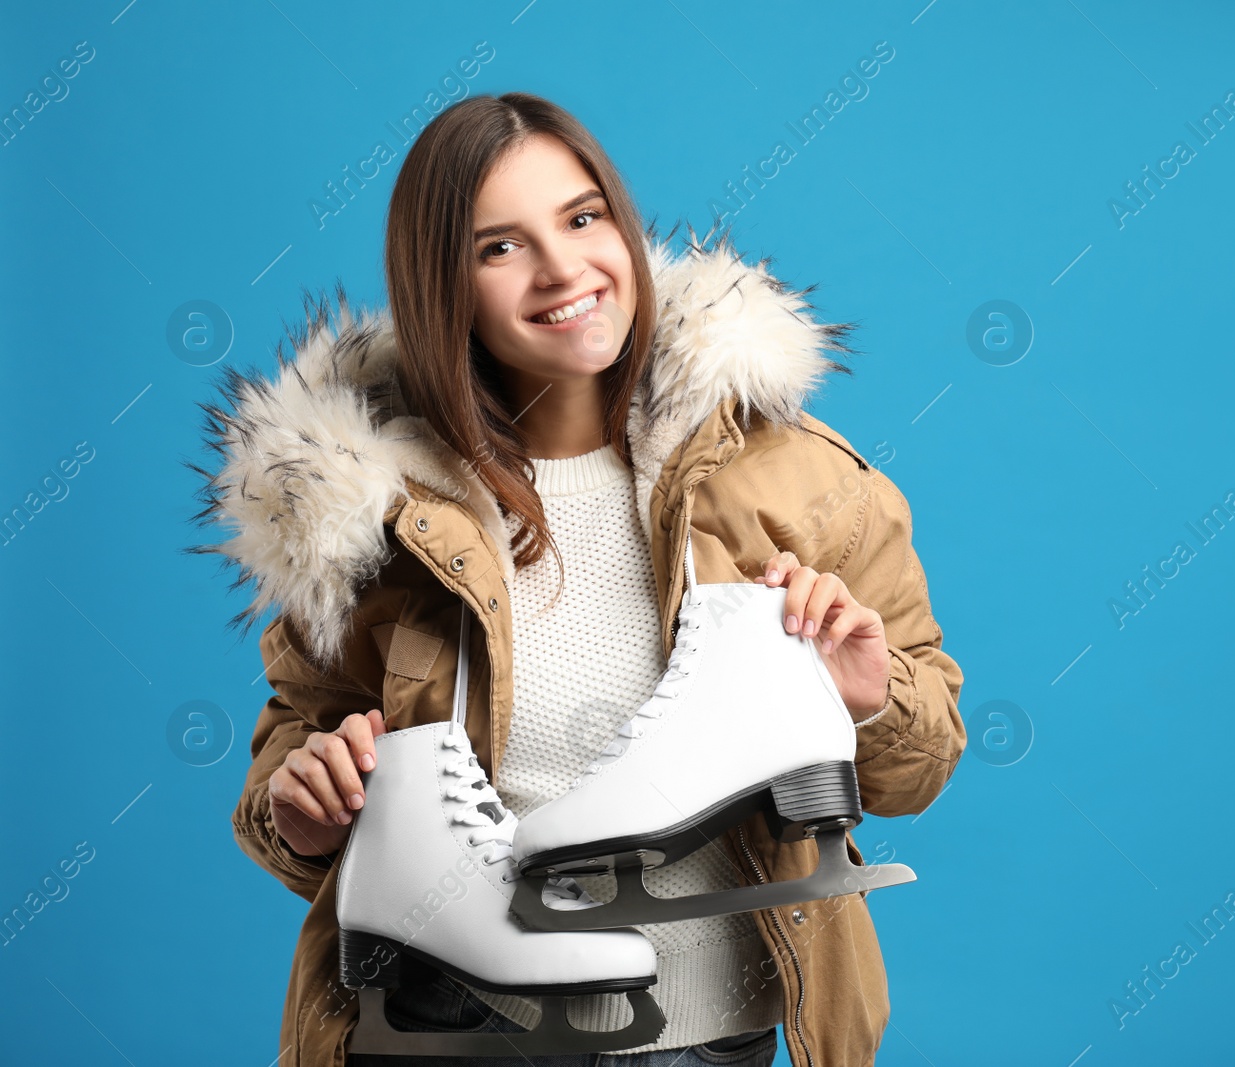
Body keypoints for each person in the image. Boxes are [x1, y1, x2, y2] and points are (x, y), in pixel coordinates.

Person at [192, 91, 965, 1067]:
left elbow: (919, 765)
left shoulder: (799, 478)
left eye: (582, 217)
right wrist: (303, 808)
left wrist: (860, 693)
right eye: (499, 246)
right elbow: (288, 765)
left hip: (705, 1036)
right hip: (444, 1039)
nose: (564, 268)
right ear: (445, 286)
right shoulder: (369, 512)